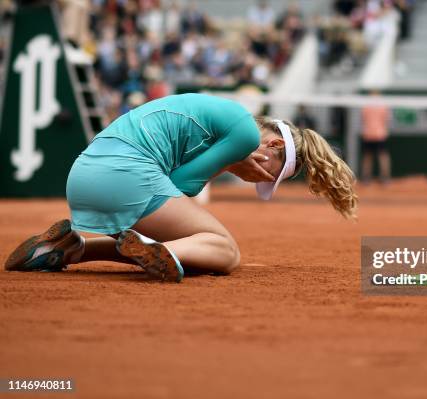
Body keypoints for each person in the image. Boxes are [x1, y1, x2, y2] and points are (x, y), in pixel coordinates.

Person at [5, 94, 358, 283]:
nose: (260, 178)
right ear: (274, 147)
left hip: (84, 173)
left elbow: (170, 181)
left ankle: (70, 248)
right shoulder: (246, 133)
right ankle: (155, 248)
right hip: (125, 177)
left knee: (187, 246)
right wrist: (231, 161)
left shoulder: (220, 117)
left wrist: (227, 161)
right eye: (272, 172)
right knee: (224, 251)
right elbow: (181, 186)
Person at [360, 90, 391, 184]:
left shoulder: (366, 105)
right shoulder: (383, 105)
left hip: (370, 134)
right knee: (380, 156)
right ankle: (384, 177)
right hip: (378, 134)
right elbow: (386, 119)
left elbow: (363, 118)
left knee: (369, 156)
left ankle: (367, 178)